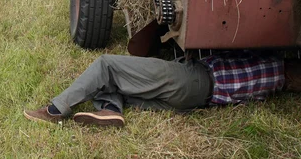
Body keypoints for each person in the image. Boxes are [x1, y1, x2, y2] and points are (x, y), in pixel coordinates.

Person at [24, 52, 301, 127]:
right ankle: (111, 109)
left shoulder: (268, 60)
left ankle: (55, 109)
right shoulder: (271, 86)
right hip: (195, 103)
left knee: (108, 66)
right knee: (121, 86)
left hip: (191, 79)